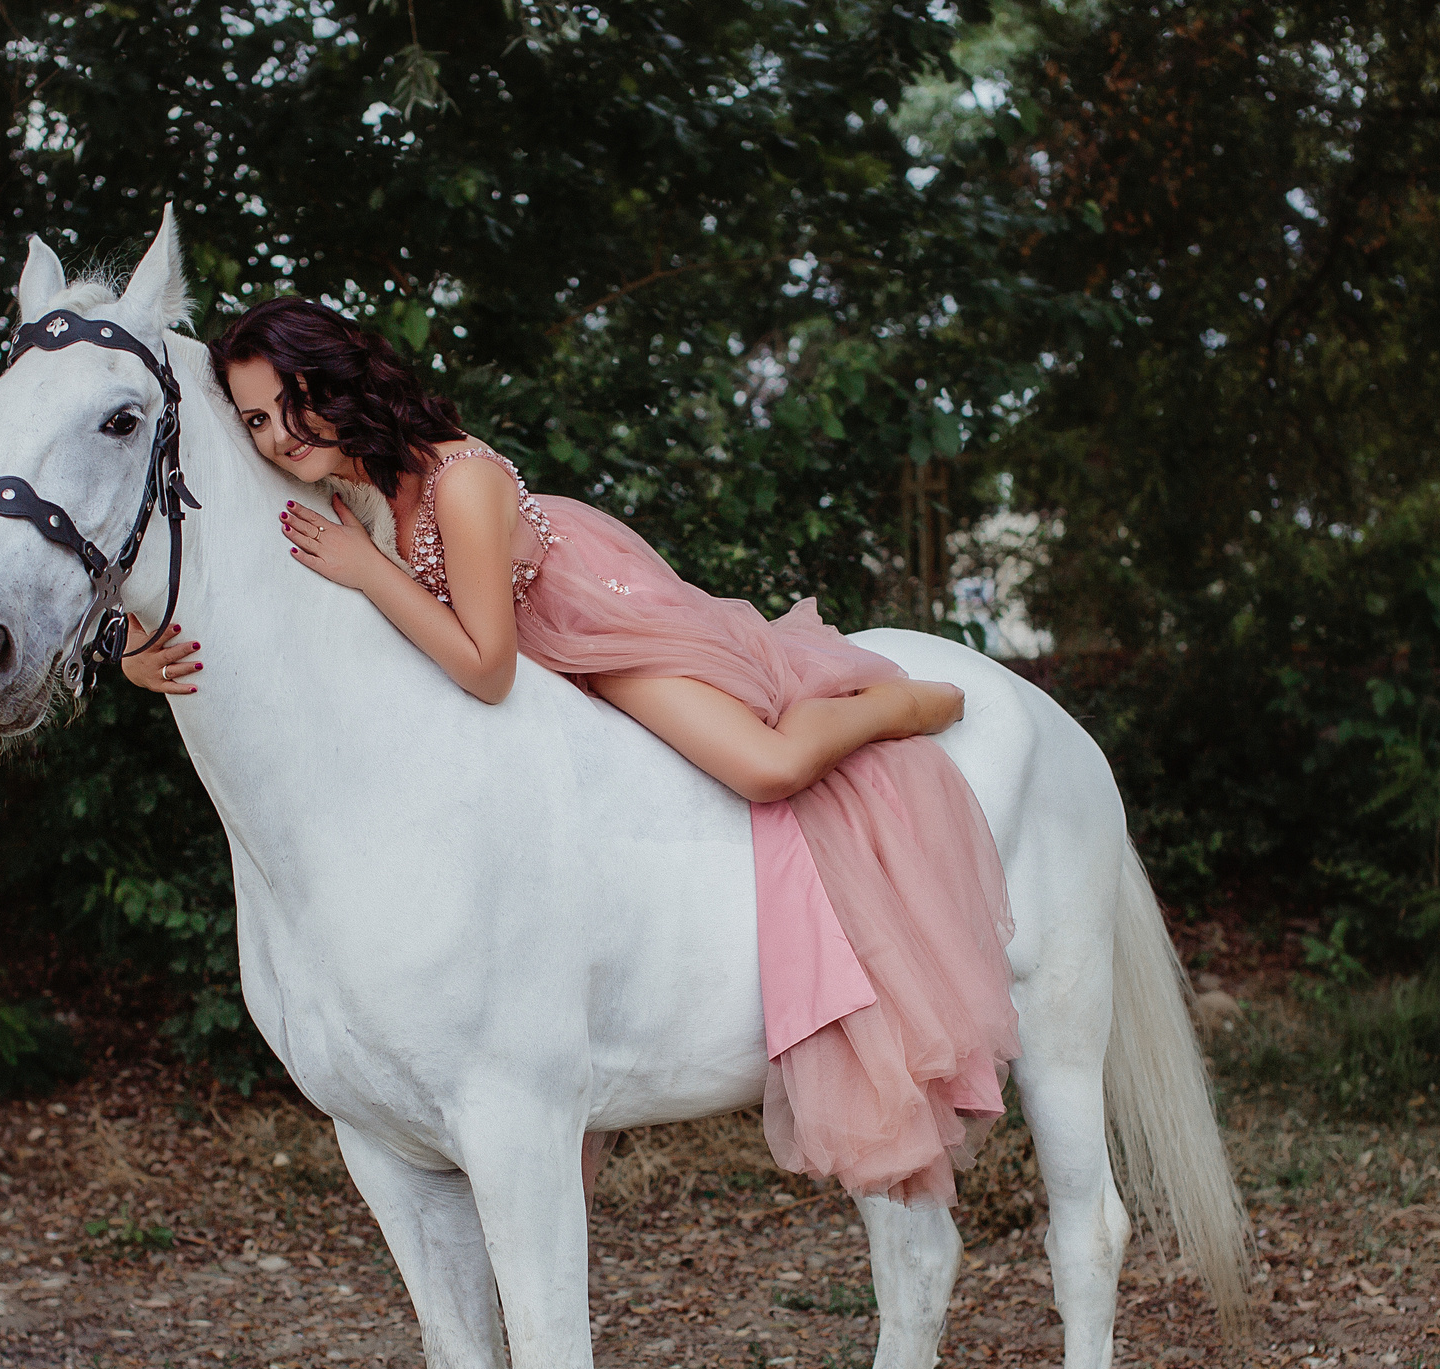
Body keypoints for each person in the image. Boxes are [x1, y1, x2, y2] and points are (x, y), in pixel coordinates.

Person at [125, 298, 1017, 1206]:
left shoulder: (456, 478)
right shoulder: (338, 487)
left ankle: (889, 700)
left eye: (292, 403)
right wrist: (133, 651)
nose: (278, 437)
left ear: (338, 375)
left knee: (766, 768)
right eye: (256, 421)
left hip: (588, 626)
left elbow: (486, 667)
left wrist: (369, 572)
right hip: (540, 675)